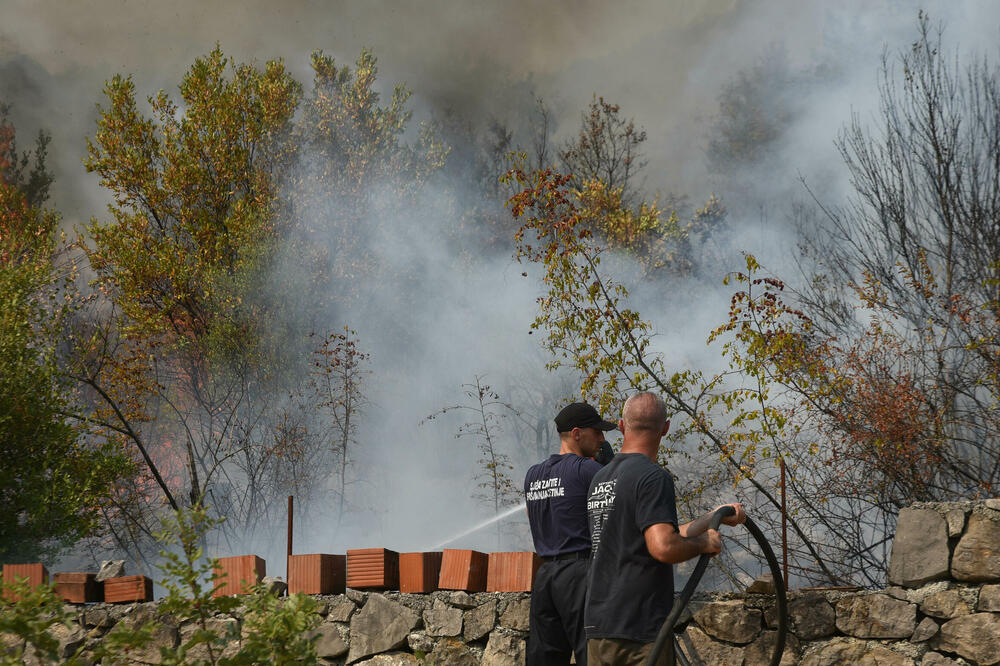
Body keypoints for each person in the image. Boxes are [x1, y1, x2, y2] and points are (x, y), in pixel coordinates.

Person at [584, 392, 745, 666]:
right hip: (639, 629)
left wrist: (713, 516)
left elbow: (653, 535)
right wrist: (705, 544)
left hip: (599, 628)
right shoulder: (652, 477)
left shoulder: (601, 478)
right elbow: (663, 546)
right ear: (666, 428)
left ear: (622, 426)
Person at [524, 402, 617, 666]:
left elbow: (534, 517)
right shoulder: (589, 471)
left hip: (545, 578)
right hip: (580, 574)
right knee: (593, 655)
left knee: (545, 658)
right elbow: (617, 516)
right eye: (596, 432)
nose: (602, 438)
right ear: (577, 433)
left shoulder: (532, 475)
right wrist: (610, 469)